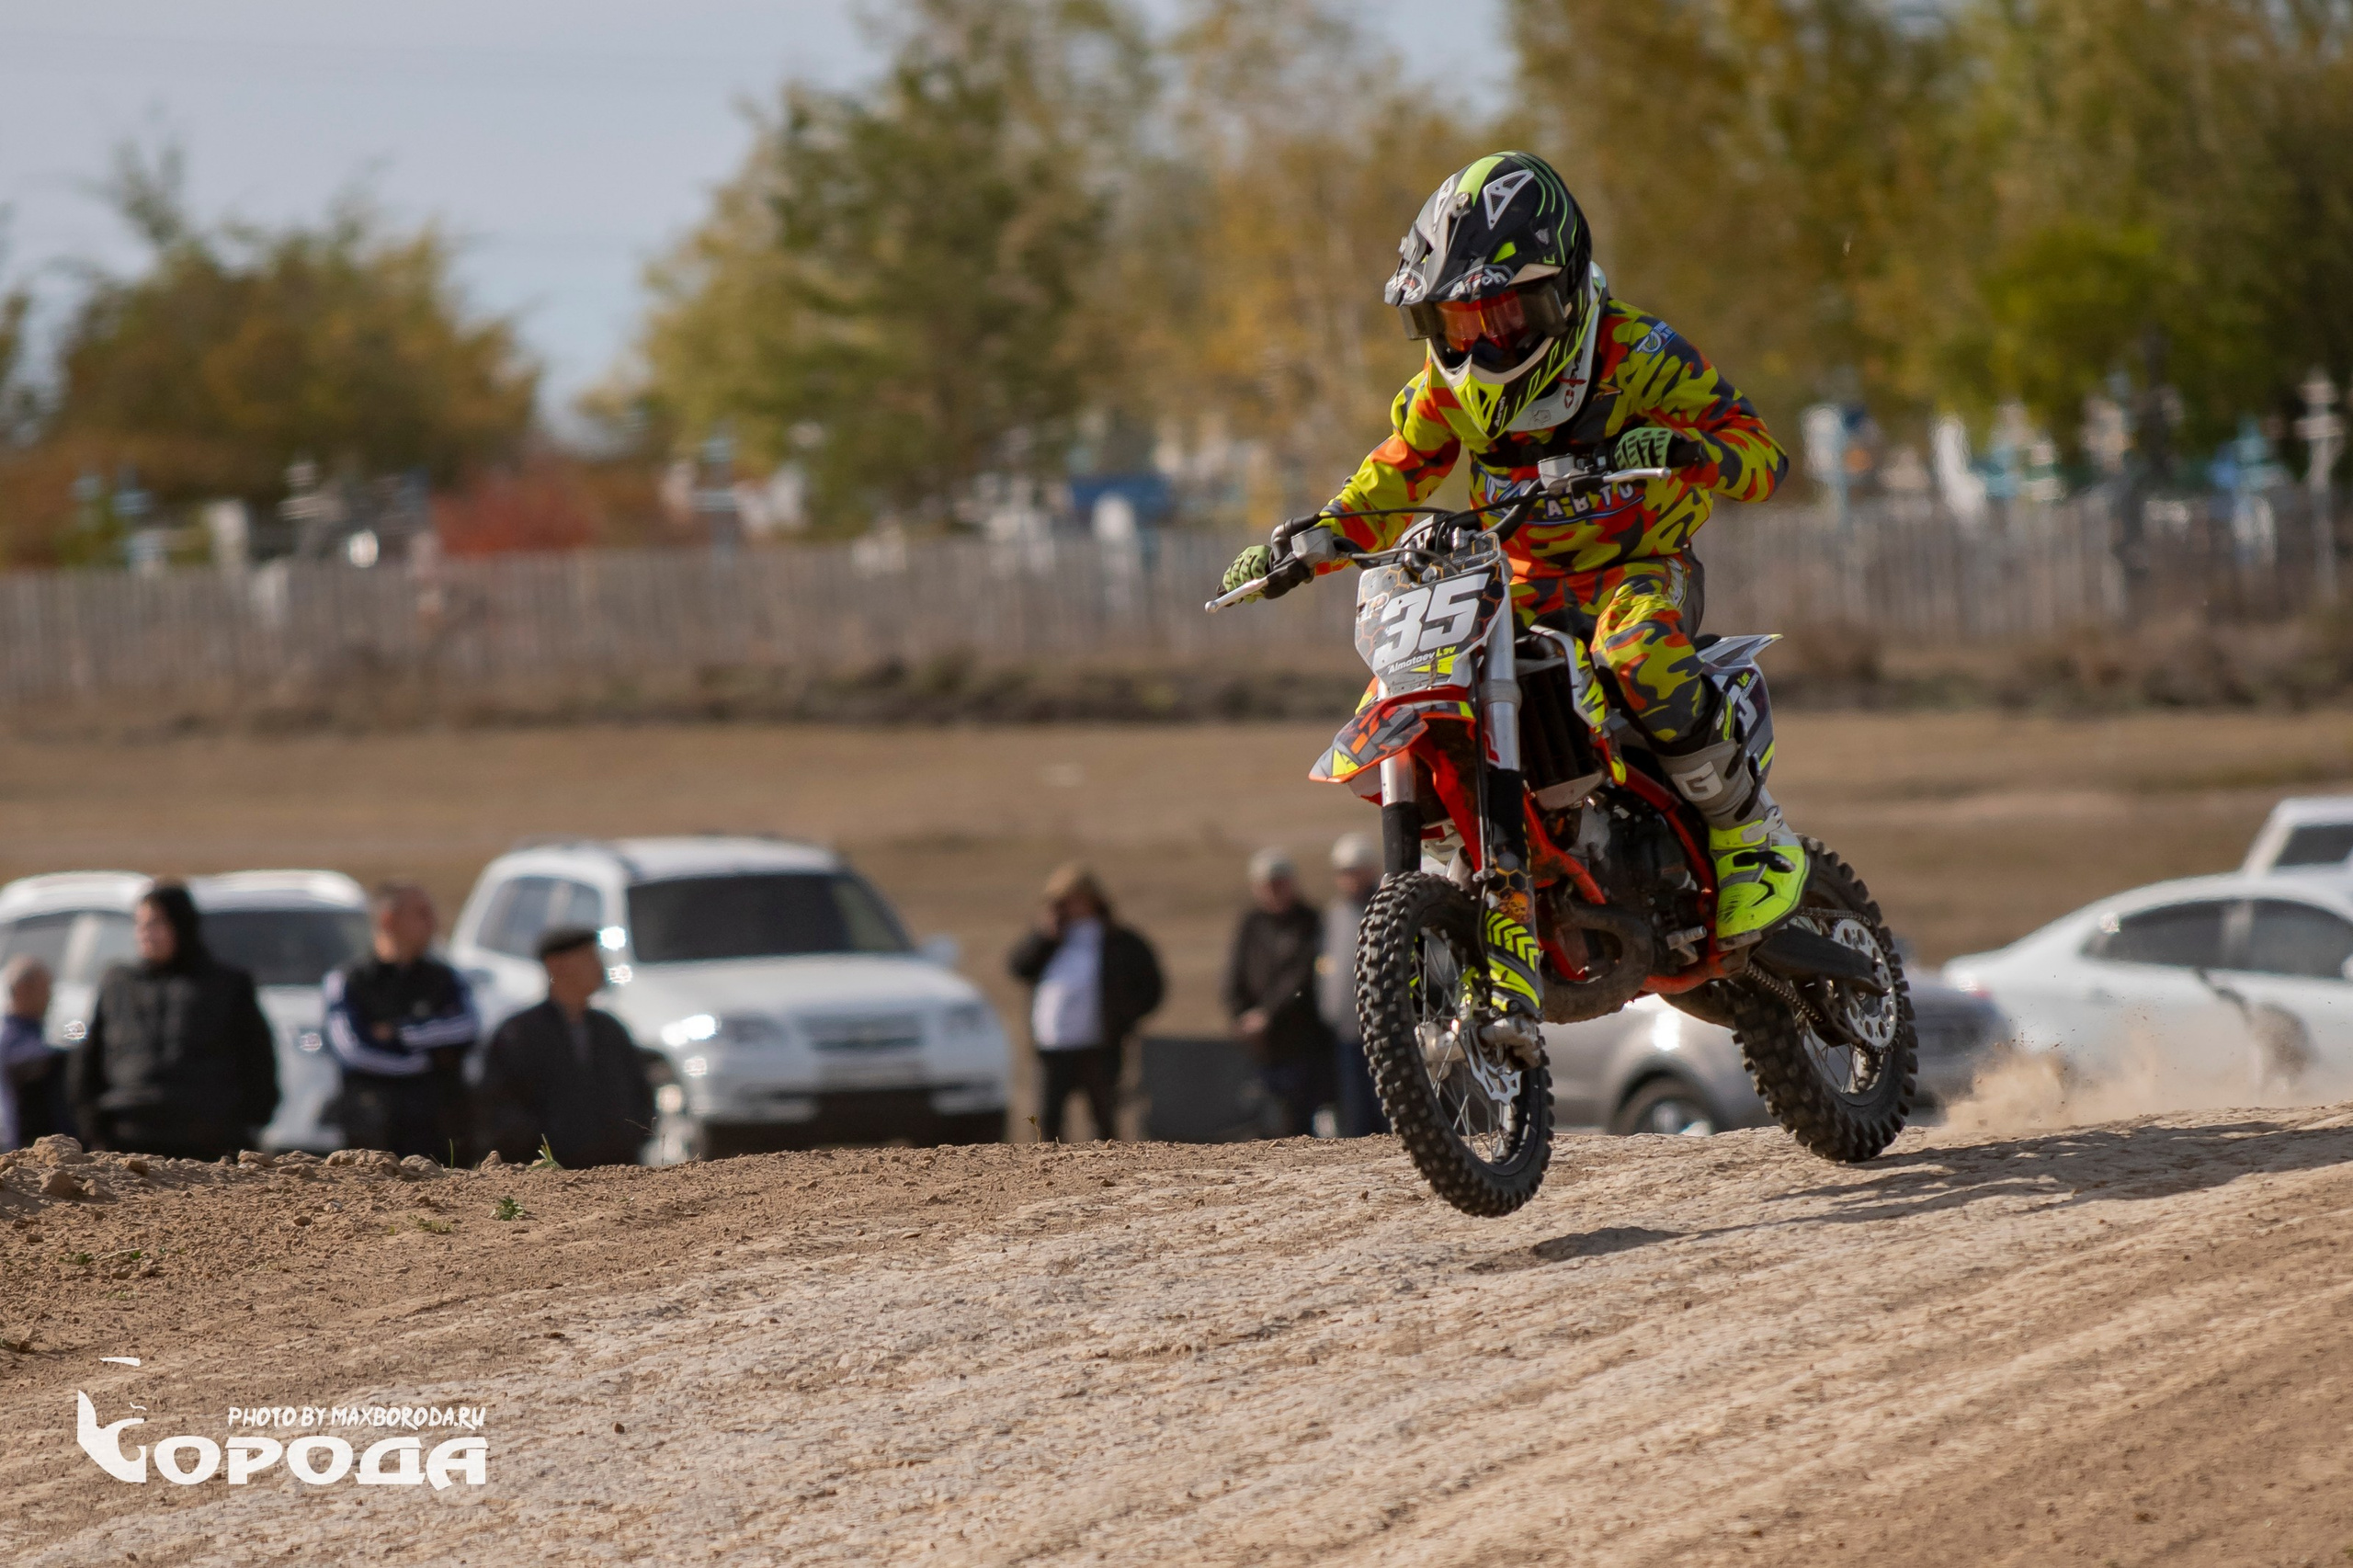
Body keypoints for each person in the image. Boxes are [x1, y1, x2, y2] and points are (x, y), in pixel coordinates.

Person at [1221, 151, 1798, 1045]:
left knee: (1634, 654)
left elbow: (1760, 452)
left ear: (1561, 290)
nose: (1484, 339)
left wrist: (1692, 452)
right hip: (1516, 582)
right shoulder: (1442, 394)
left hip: (1636, 566)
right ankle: (1486, 869)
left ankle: (1744, 831)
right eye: (1459, 318)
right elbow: (1391, 477)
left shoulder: (1636, 352)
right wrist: (1307, 541)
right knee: (1421, 664)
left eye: (1504, 311)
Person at [67, 882, 278, 1159]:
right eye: (140, 924)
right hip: (128, 1130)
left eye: (156, 924)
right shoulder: (118, 984)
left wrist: (247, 1123)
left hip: (207, 1134)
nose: (145, 933)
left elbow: (258, 1061)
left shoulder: (226, 985)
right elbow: (87, 1062)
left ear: (181, 925)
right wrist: (92, 1128)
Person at [1006, 863, 1165, 1142]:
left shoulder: (1120, 940)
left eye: (1076, 899)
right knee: (1048, 1118)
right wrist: (1044, 937)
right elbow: (1019, 967)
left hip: (1100, 1044)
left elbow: (1151, 987)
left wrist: (1123, 1017)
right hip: (1053, 1045)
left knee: (1104, 1117)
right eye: (1063, 902)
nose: (1071, 907)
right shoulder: (1048, 939)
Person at [323, 881, 479, 1162]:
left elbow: (466, 1028)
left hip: (440, 1131)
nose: (433, 923)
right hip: (375, 1135)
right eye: (421, 914)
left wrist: (399, 1034)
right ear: (388, 920)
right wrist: (418, 1062)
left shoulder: (445, 978)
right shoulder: (349, 981)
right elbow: (353, 1051)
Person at [476, 926, 654, 1166]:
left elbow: (640, 1095)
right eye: (588, 957)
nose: (598, 966)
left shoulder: (611, 1030)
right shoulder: (519, 1034)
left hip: (617, 1170)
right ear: (556, 965)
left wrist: (630, 1138)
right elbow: (499, 1108)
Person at [1222, 848, 1335, 1137]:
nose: (1272, 892)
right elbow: (1235, 973)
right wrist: (1241, 1015)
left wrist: (1268, 1014)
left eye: (1278, 884)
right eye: (1265, 886)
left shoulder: (1311, 921)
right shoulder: (1251, 923)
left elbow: (1303, 976)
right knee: (1261, 1115)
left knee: (1301, 1116)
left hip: (1302, 1038)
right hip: (1259, 1044)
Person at [1319, 834, 1389, 1138]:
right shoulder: (1335, 914)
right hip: (1347, 1031)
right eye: (1343, 872)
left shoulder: (1385, 908)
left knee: (1385, 1109)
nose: (1348, 879)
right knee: (1354, 1113)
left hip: (1386, 1031)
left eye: (1354, 871)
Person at [2, 956, 70, 1151]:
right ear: (23, 990)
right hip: (15, 1146)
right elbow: (30, 1061)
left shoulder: (35, 1033)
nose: (50, 998)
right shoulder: (10, 1039)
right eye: (46, 989)